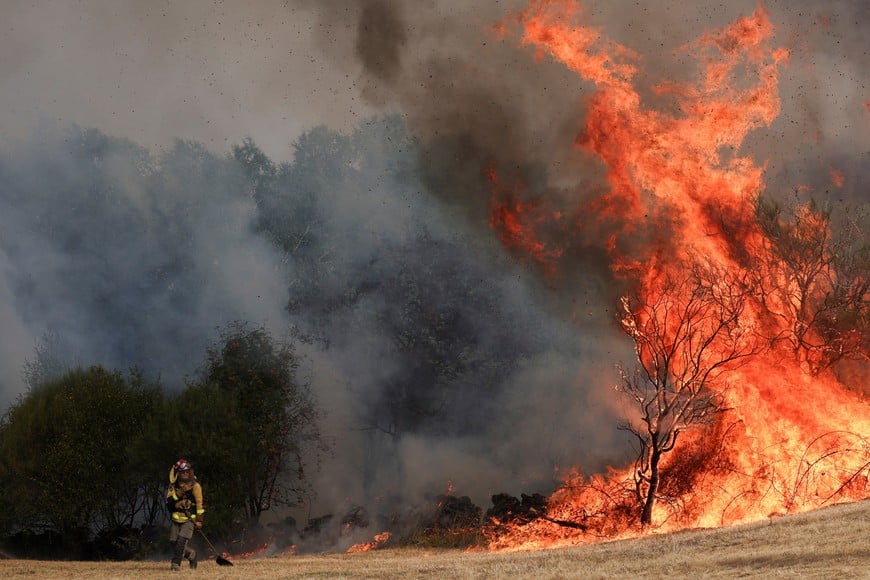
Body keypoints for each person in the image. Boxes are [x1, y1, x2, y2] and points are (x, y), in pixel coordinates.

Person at [166, 458, 205, 571]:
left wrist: (199, 520)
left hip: (189, 520)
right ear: (178, 473)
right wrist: (178, 494)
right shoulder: (173, 487)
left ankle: (175, 564)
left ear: (190, 472)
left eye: (187, 472)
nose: (185, 474)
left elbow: (199, 505)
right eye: (182, 472)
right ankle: (191, 554)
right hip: (176, 520)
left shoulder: (195, 486)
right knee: (174, 542)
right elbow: (169, 504)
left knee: (182, 541)